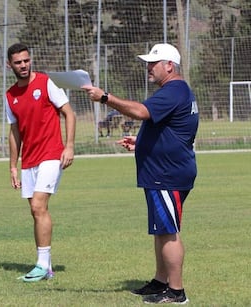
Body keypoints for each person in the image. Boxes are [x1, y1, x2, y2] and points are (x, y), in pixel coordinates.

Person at [83, 43, 198, 304]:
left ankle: (176, 291)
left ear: (170, 65)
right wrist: (141, 143)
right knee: (161, 230)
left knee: (169, 232)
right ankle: (160, 282)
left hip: (167, 174)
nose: (149, 67)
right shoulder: (177, 91)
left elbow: (140, 112)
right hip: (163, 172)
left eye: (153, 62)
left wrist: (105, 98)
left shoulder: (173, 90)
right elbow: (176, 131)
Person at [5, 43, 76, 282]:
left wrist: (69, 146)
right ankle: (46, 266)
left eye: (26, 60)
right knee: (36, 212)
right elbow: (14, 132)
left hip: (51, 154)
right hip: (29, 161)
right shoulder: (10, 95)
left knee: (38, 206)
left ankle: (42, 265)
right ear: (10, 65)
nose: (23, 65)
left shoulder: (46, 82)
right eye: (18, 62)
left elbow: (69, 112)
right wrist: (13, 166)